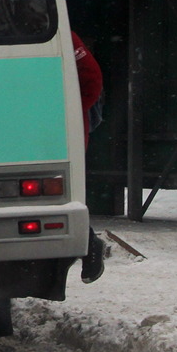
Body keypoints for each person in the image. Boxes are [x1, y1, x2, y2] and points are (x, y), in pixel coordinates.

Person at [73, 30, 106, 283]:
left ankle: (88, 244)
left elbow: (91, 79)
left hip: (57, 132)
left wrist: (68, 114)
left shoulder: (58, 33)